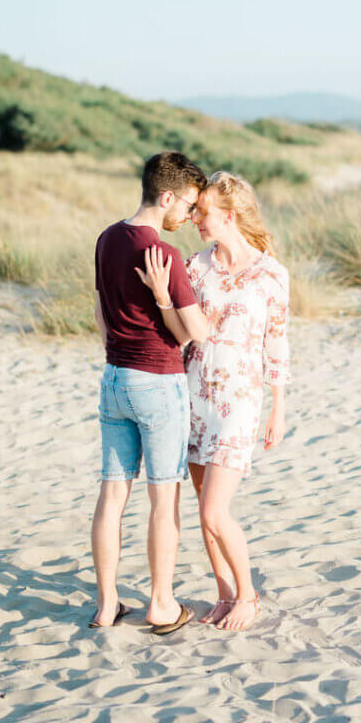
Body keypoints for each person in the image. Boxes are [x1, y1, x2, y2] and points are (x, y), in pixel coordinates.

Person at [140, 171, 290, 631]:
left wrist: (277, 408)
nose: (195, 220)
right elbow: (177, 330)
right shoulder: (194, 266)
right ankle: (224, 593)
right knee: (203, 505)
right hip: (193, 397)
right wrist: (164, 296)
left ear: (227, 216)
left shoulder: (271, 274)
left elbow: (277, 344)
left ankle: (248, 594)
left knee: (213, 510)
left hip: (238, 405)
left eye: (202, 213)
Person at [90, 151, 208, 634]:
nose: (190, 214)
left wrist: (118, 348)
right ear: (166, 196)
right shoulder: (163, 253)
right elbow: (196, 330)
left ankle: (106, 604)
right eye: (188, 204)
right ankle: (161, 604)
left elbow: (99, 312)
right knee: (164, 498)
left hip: (114, 377)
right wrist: (165, 303)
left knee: (112, 494)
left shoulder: (107, 238)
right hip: (157, 381)